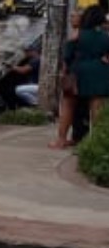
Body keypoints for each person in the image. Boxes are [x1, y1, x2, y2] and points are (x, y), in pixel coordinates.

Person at [72, 4, 109, 128]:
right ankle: (95, 137)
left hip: (80, 71)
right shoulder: (105, 37)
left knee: (78, 105)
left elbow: (68, 53)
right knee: (96, 105)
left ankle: (78, 134)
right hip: (100, 71)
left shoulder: (78, 35)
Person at [51, 10, 83, 149]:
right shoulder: (94, 33)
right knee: (80, 108)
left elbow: (67, 58)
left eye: (73, 16)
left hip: (74, 74)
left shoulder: (76, 35)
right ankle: (78, 137)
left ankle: (61, 139)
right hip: (87, 75)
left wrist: (63, 73)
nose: (71, 19)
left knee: (68, 106)